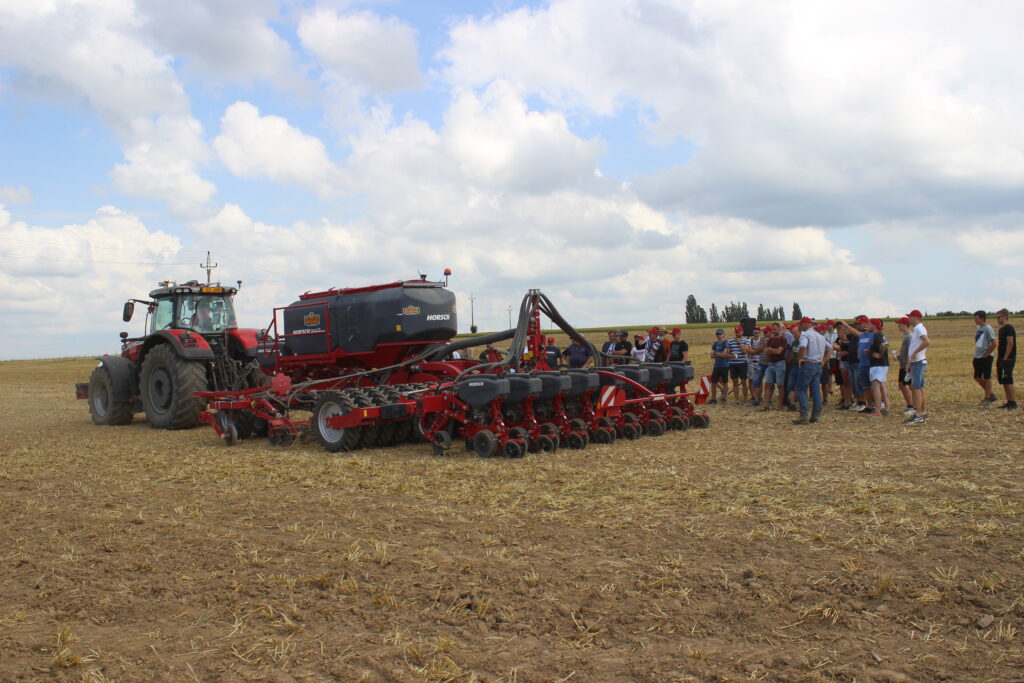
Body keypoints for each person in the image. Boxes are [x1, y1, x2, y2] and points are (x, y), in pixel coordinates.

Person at [793, 317, 827, 424]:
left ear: (805, 324)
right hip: (818, 365)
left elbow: (803, 346)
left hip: (808, 364)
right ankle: (816, 415)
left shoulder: (805, 334)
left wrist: (800, 358)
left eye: (801, 324)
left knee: (801, 388)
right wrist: (824, 360)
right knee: (816, 390)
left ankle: (804, 415)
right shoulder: (820, 336)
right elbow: (830, 348)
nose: (800, 327)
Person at [903, 309, 930, 424]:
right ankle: (922, 412)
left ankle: (918, 414)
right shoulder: (918, 329)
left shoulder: (919, 328)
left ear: (915, 317)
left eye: (910, 317)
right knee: (920, 388)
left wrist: (914, 353)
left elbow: (927, 341)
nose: (908, 319)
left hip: (918, 362)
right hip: (918, 361)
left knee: (916, 388)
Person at [863, 319, 890, 417]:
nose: (867, 326)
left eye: (869, 324)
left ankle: (877, 410)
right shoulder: (881, 334)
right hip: (883, 364)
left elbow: (883, 346)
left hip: (878, 365)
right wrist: (870, 352)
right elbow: (885, 345)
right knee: (882, 386)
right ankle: (887, 408)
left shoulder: (877, 335)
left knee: (876, 387)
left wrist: (879, 355)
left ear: (874, 325)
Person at [973, 310, 997, 404]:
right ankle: (990, 394)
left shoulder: (988, 328)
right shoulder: (978, 328)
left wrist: (986, 354)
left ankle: (987, 398)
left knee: (987, 377)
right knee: (977, 377)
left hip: (986, 356)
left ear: (982, 318)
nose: (975, 320)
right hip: (977, 356)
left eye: (976, 318)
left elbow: (994, 343)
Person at [761, 325, 787, 411]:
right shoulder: (771, 340)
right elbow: (765, 352)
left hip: (779, 363)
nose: (773, 331)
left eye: (775, 329)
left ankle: (779, 405)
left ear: (779, 329)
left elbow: (779, 351)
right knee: (768, 384)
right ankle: (766, 404)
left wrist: (771, 349)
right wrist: (773, 350)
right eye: (772, 329)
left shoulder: (782, 339)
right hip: (771, 363)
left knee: (780, 385)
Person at [996, 308, 1017, 410]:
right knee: (1003, 379)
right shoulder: (1001, 329)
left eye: (999, 317)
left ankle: (1013, 403)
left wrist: (1005, 358)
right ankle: (1009, 402)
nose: (997, 319)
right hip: (1001, 358)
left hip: (1007, 359)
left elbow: (1010, 343)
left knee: (1008, 380)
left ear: (1004, 317)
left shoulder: (1009, 328)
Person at [893, 317, 914, 413]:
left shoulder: (909, 337)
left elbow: (911, 352)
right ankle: (911, 405)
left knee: (907, 385)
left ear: (905, 325)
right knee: (903, 384)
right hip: (904, 364)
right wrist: (899, 357)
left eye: (900, 324)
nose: (898, 326)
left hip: (907, 366)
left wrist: (908, 365)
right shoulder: (907, 336)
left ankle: (912, 406)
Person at [724, 326, 749, 403]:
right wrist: (731, 356)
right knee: (735, 381)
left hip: (742, 363)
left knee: (744, 381)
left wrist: (739, 343)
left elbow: (745, 351)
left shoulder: (746, 341)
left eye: (739, 332)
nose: (737, 333)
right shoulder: (730, 341)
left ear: (742, 332)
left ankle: (745, 399)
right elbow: (727, 353)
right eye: (736, 332)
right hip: (733, 364)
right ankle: (737, 399)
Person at [744, 327, 767, 406]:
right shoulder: (749, 340)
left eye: (757, 331)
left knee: (759, 379)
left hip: (759, 362)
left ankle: (759, 396)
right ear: (753, 332)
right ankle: (753, 395)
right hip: (750, 362)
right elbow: (748, 350)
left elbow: (752, 350)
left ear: (759, 332)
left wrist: (753, 350)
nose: (756, 332)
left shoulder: (762, 340)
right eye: (755, 331)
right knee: (750, 379)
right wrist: (757, 350)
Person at [709, 328, 731, 404]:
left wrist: (716, 354)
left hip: (725, 365)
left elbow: (724, 354)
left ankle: (724, 397)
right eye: (717, 334)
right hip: (717, 365)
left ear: (723, 334)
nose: (719, 335)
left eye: (720, 334)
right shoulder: (714, 344)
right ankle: (714, 399)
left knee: (725, 382)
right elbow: (711, 355)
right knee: (713, 382)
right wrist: (719, 354)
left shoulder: (726, 343)